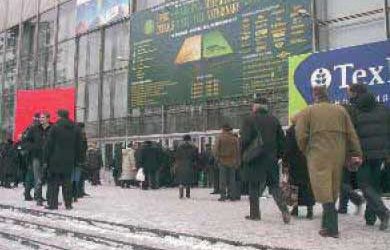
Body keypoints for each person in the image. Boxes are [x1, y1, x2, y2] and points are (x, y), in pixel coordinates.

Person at [295, 86, 363, 238]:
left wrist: (306, 150)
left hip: (318, 152)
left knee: (322, 187)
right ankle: (326, 224)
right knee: (333, 186)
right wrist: (356, 153)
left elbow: (300, 135)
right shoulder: (340, 111)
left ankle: (332, 228)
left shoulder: (308, 112)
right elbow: (351, 134)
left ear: (315, 95)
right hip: (338, 152)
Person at [344, 84, 390, 230]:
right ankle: (370, 218)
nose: (348, 95)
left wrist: (350, 153)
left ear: (355, 93)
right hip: (381, 154)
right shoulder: (383, 108)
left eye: (349, 93)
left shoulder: (354, 110)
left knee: (364, 185)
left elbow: (351, 134)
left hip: (362, 153)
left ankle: (383, 213)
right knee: (374, 185)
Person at [241, 97, 290, 224]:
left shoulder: (249, 119)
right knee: (274, 186)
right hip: (271, 159)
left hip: (254, 158)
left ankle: (255, 214)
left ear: (255, 107)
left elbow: (244, 140)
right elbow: (282, 141)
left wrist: (243, 154)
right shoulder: (274, 120)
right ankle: (284, 209)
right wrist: (277, 156)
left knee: (253, 186)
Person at [45, 110, 80, 210]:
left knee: (53, 183)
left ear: (59, 116)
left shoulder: (55, 128)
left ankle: (53, 204)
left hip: (55, 159)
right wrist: (77, 159)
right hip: (69, 160)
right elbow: (79, 145)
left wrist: (46, 159)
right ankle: (68, 204)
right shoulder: (75, 128)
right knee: (67, 182)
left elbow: (49, 145)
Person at [282, 115, 315, 219]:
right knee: (308, 185)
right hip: (308, 161)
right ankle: (310, 210)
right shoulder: (309, 130)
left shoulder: (291, 131)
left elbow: (288, 148)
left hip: (295, 162)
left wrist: (285, 161)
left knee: (294, 186)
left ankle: (295, 209)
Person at [24, 112, 52, 206]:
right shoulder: (34, 129)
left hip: (50, 158)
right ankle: (38, 197)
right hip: (37, 157)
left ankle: (50, 198)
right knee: (38, 178)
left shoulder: (53, 128)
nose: (41, 119)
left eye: (43, 118)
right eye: (40, 118)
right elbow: (26, 141)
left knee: (50, 178)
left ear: (48, 118)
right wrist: (33, 147)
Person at [213, 124, 241, 201]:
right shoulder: (234, 138)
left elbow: (215, 149)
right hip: (232, 161)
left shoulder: (220, 137)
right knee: (232, 180)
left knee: (222, 180)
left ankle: (223, 196)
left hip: (222, 161)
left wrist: (217, 159)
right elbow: (238, 151)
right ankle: (232, 195)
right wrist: (238, 161)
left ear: (223, 129)